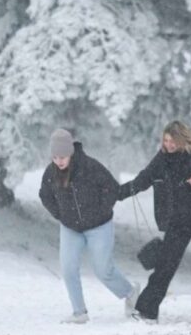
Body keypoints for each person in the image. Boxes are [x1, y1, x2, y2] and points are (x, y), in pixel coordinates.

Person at [118, 120, 191, 323]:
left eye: (173, 141)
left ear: (182, 140)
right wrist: (116, 194)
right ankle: (147, 311)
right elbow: (143, 179)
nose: (169, 145)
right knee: (166, 265)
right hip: (178, 221)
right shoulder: (161, 159)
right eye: (166, 140)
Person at [39, 128, 139, 324]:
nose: (59, 161)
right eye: (55, 157)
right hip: (70, 228)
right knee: (68, 268)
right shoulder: (51, 172)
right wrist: (60, 215)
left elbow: (112, 188)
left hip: (99, 226)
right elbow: (45, 195)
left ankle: (130, 293)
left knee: (103, 270)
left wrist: (100, 212)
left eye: (63, 156)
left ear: (71, 152)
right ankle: (79, 312)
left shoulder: (89, 166)